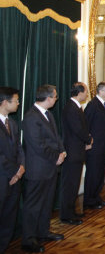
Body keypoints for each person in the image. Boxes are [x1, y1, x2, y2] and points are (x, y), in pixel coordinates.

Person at [22, 84, 66, 252]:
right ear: (48, 98)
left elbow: (56, 137)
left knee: (47, 202)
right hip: (39, 168)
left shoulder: (48, 115)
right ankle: (28, 239)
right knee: (33, 205)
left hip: (51, 167)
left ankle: (43, 231)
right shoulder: (31, 117)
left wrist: (61, 151)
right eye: (55, 97)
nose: (56, 99)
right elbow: (37, 144)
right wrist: (56, 157)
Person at [60, 82, 92, 226]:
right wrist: (88, 139)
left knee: (74, 183)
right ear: (79, 92)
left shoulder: (75, 107)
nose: (87, 94)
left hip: (77, 151)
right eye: (85, 92)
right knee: (70, 184)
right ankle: (66, 215)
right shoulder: (71, 108)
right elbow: (78, 129)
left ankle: (71, 211)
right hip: (73, 152)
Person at [0, 87, 24, 253]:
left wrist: (21, 168)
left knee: (9, 216)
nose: (18, 103)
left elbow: (19, 148)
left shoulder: (13, 123)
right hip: (3, 177)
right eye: (15, 100)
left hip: (15, 177)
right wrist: (14, 171)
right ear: (4, 102)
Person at [83, 82, 105, 210]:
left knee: (100, 173)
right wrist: (88, 142)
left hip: (103, 145)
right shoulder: (92, 105)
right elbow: (86, 126)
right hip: (94, 147)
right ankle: (89, 200)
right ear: (100, 91)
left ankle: (96, 197)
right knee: (93, 173)